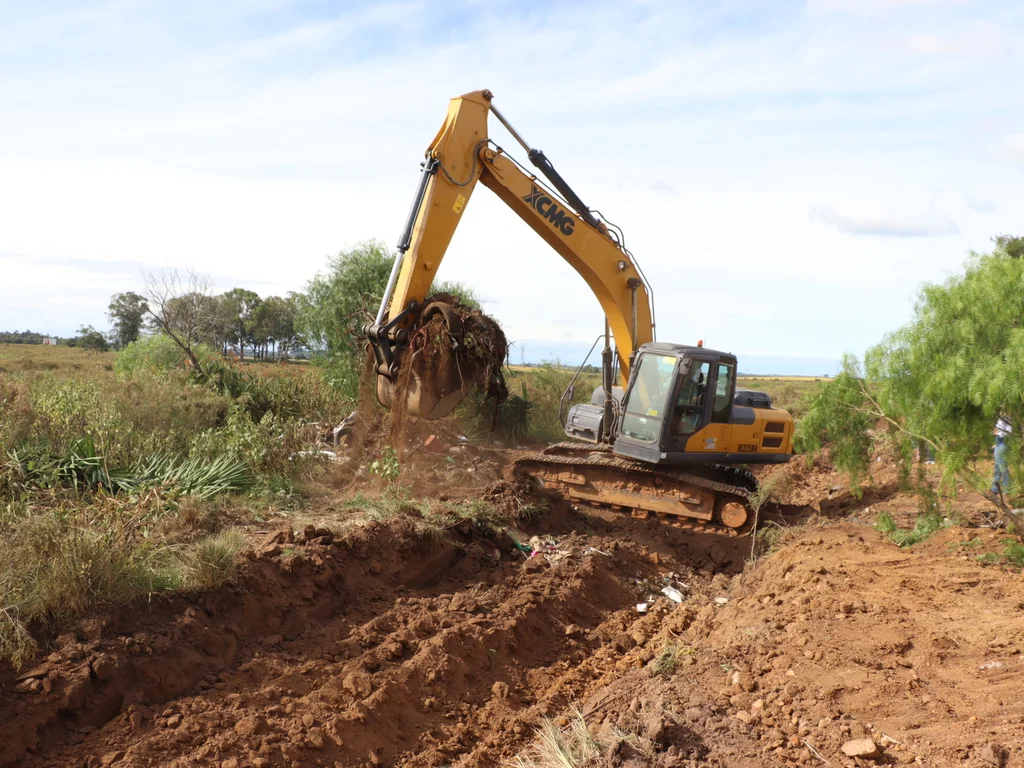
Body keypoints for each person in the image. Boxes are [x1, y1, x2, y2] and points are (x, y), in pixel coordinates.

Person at [992, 417, 1012, 495]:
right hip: (998, 443)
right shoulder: (1000, 418)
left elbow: (1009, 432)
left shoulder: (1008, 419)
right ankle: (995, 488)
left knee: (1002, 466)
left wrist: (997, 433)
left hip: (1002, 443)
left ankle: (1006, 488)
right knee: (997, 466)